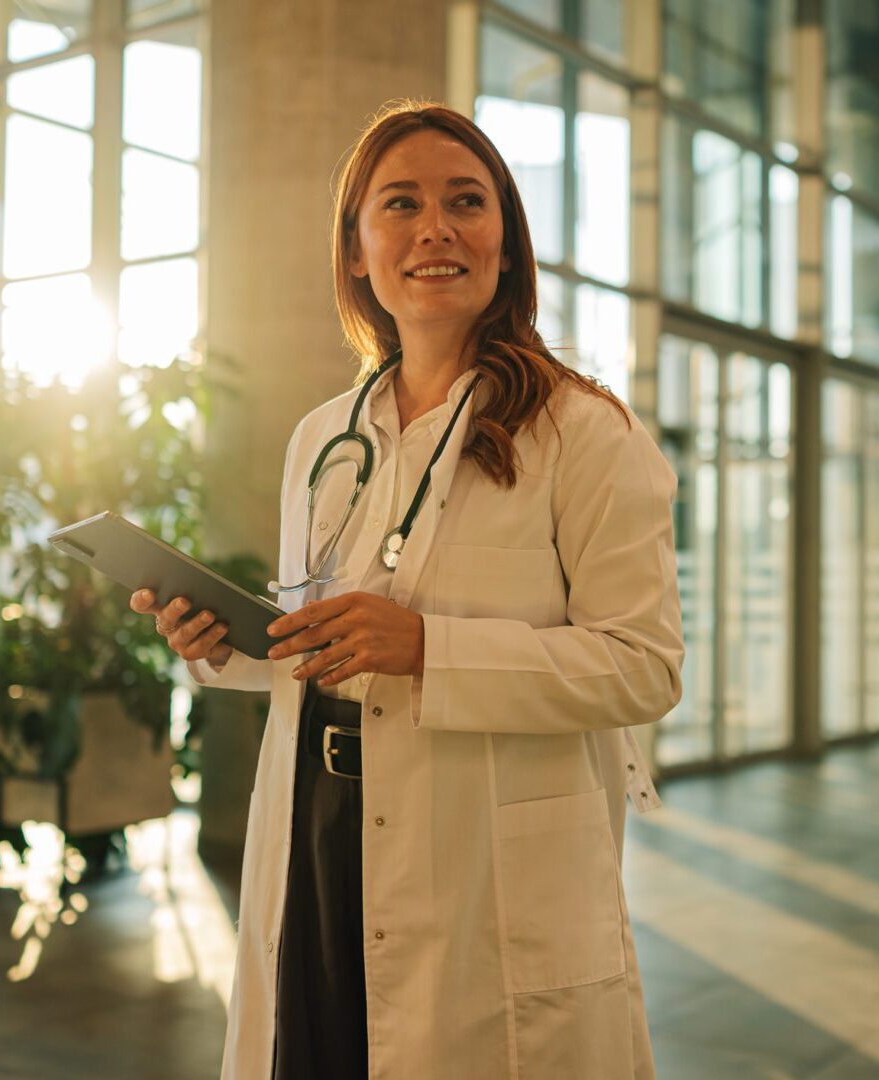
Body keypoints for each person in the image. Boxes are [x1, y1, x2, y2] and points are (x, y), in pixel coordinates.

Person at [130, 99, 684, 1080]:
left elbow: (643, 668)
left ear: (506, 242)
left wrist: (430, 648)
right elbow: (321, 641)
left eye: (466, 202)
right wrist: (224, 644)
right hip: (318, 829)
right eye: (401, 204)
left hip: (481, 863)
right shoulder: (324, 437)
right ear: (356, 249)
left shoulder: (588, 433)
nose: (436, 229)